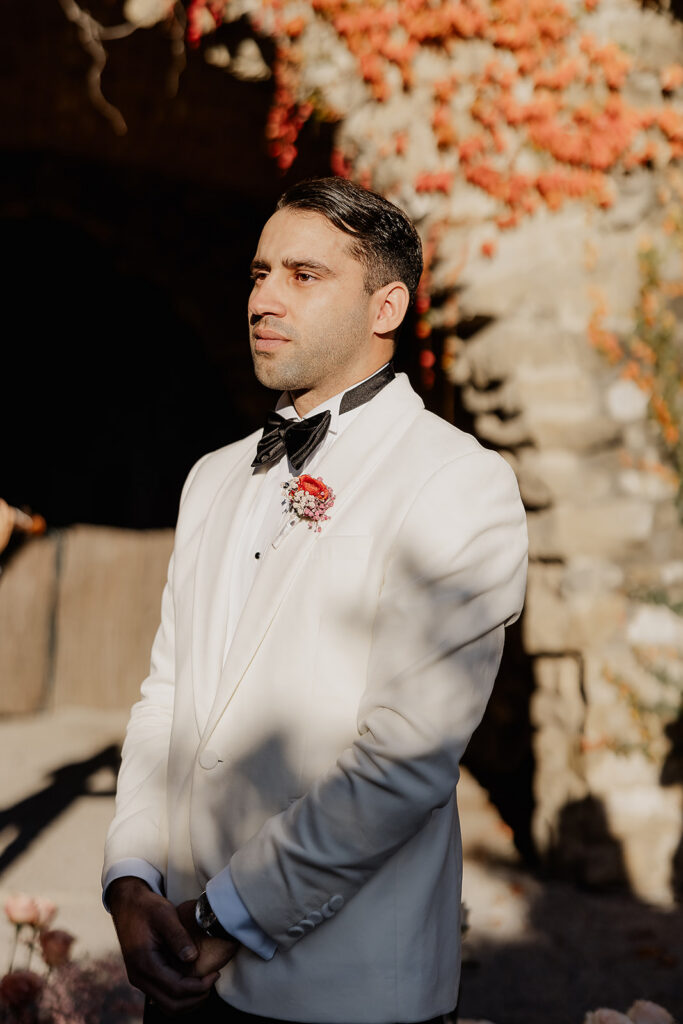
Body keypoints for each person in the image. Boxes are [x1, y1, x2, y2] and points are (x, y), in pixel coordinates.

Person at [103, 177, 528, 1024]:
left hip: (343, 991)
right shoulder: (212, 476)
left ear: (387, 306)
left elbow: (402, 761)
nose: (263, 298)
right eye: (259, 274)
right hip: (177, 972)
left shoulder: (457, 483)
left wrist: (226, 914)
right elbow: (167, 700)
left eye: (303, 276)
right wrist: (131, 880)